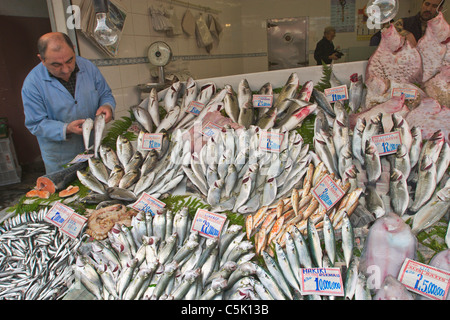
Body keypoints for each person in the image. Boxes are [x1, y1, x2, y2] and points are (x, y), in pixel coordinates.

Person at [22, 32, 116, 174]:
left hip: (94, 148)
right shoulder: (32, 84)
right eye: (56, 65)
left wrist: (107, 106)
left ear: (73, 49)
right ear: (42, 59)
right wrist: (66, 128)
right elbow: (35, 124)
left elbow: (105, 94)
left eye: (70, 61)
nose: (66, 70)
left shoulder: (88, 67)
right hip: (61, 158)